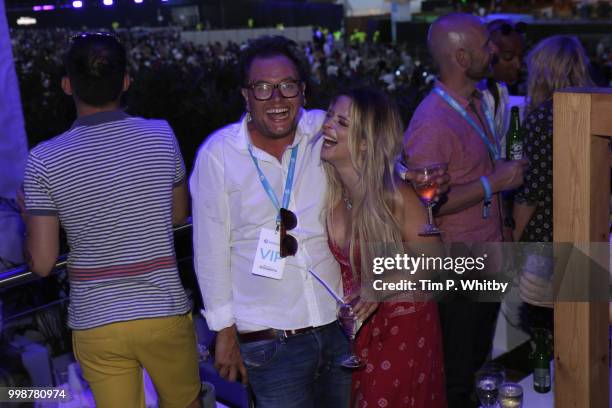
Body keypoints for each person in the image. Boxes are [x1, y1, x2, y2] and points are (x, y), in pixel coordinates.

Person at [22, 33, 202, 408]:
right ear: (125, 82)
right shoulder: (161, 135)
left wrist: (31, 214)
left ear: (67, 85)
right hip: (162, 309)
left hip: (96, 320)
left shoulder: (43, 160)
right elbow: (178, 215)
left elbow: (41, 264)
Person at [190, 36, 354, 408]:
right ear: (245, 95)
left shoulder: (323, 133)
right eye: (263, 88)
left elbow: (374, 159)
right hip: (268, 341)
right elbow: (210, 253)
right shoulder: (219, 156)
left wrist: (407, 177)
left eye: (288, 86)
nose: (277, 99)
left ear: (303, 91)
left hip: (337, 324)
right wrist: (224, 333)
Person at [403, 13, 528, 408]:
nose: (493, 50)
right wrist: (497, 182)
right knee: (457, 376)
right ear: (460, 56)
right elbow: (424, 206)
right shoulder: (432, 122)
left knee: (476, 365)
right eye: (484, 46)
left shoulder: (475, 102)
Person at [321, 87, 447, 408]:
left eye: (342, 123)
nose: (327, 127)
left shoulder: (395, 196)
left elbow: (438, 264)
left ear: (364, 143)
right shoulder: (334, 194)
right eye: (329, 117)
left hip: (404, 327)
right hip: (358, 331)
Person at [512, 36, 594, 327]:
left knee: (542, 326)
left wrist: (511, 241)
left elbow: (530, 193)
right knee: (582, 328)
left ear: (544, 71)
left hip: (545, 242)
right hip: (589, 233)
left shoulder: (543, 117)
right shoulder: (595, 112)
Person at [481, 19, 527, 157]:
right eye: (508, 57)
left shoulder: (502, 89)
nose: (518, 65)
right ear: (490, 53)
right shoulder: (475, 96)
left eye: (520, 56)